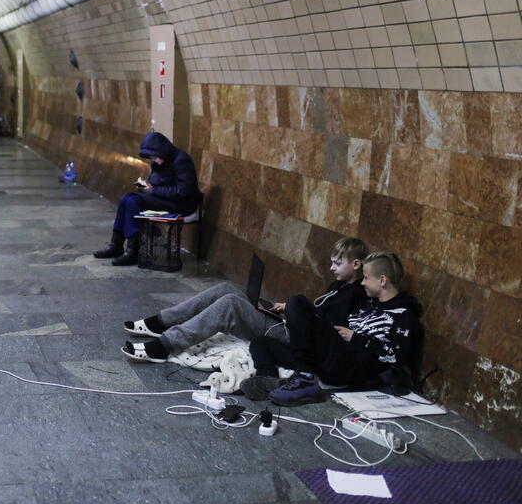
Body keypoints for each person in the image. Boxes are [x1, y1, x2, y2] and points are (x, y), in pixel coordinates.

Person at [122, 237, 368, 363]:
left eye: (338, 263)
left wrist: (295, 312)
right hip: (290, 324)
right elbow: (318, 312)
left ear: (356, 264)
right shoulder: (339, 286)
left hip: (293, 339)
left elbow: (327, 330)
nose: (331, 267)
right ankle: (161, 322)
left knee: (230, 304)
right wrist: (288, 308)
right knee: (225, 288)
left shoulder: (356, 294)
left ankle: (165, 346)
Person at [243, 251, 421, 406]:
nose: (362, 283)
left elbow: (396, 356)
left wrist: (355, 337)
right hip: (332, 357)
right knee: (261, 343)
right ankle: (270, 380)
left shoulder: (403, 315)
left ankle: (305, 379)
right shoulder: (367, 304)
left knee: (296, 302)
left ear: (382, 280)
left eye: (366, 278)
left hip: (351, 366)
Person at [93, 131, 201, 266]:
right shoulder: (159, 162)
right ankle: (116, 244)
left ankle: (133, 251)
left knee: (134, 201)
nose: (154, 160)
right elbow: (156, 183)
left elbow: (183, 191)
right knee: (126, 198)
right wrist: (145, 186)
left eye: (155, 157)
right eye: (152, 158)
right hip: (165, 198)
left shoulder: (181, 160)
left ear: (163, 150)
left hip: (181, 203)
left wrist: (152, 190)